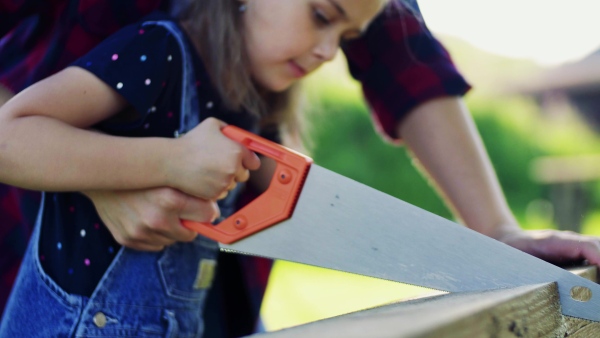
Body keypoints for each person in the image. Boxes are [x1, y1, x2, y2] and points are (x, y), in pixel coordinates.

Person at [1, 0, 600, 336]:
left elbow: (408, 65)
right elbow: (12, 135)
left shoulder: (253, 95)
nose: (328, 51)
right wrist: (129, 166)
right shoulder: (155, 49)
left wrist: (498, 235)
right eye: (321, 15)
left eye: (347, 34)